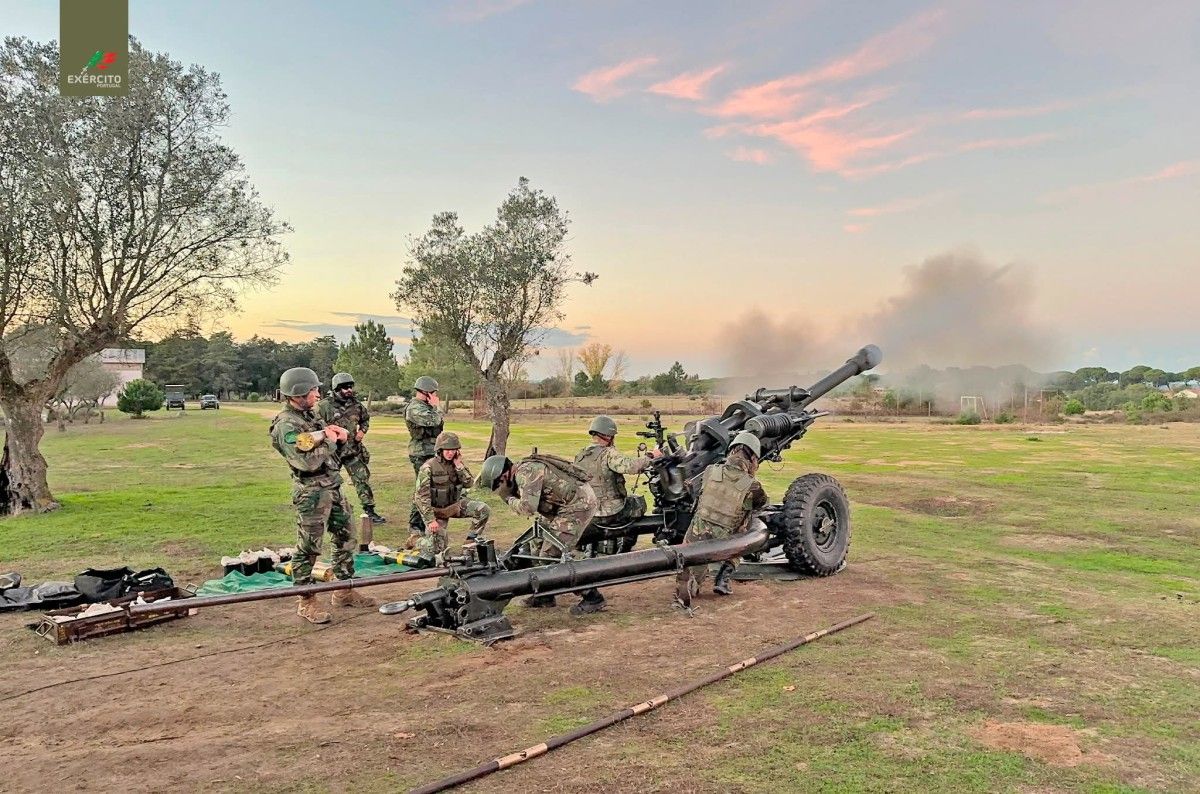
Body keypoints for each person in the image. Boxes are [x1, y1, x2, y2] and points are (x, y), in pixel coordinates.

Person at [269, 367, 376, 624]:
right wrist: (330, 439)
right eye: (314, 389)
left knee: (346, 536)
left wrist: (336, 438)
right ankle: (306, 600)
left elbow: (328, 453)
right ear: (299, 392)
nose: (318, 393)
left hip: (332, 486)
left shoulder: (310, 417)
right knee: (309, 547)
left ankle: (344, 591)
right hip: (311, 492)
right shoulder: (286, 425)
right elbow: (308, 463)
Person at [477, 451, 600, 616]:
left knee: (552, 553)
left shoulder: (526, 473)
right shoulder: (522, 470)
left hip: (578, 505)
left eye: (498, 485)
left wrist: (507, 498)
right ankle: (545, 595)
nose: (499, 489)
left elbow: (527, 508)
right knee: (535, 545)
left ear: (504, 476)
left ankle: (592, 595)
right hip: (560, 506)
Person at [571, 415, 663, 612]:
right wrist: (651, 456)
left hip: (590, 512)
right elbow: (630, 466)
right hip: (612, 512)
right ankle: (627, 544)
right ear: (610, 436)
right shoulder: (608, 454)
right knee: (638, 503)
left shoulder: (581, 455)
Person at [674, 431, 768, 610]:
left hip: (697, 531)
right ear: (753, 458)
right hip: (725, 538)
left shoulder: (710, 470)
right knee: (746, 532)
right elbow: (762, 502)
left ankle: (688, 581)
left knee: (692, 568)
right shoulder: (752, 485)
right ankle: (723, 578)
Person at [410, 431, 491, 561]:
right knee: (437, 549)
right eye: (447, 450)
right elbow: (421, 497)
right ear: (440, 450)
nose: (450, 453)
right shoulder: (428, 467)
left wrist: (459, 466)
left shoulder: (457, 464)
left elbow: (469, 483)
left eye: (453, 450)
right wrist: (431, 520)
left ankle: (469, 546)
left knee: (483, 510)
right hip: (436, 511)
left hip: (454, 505)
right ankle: (415, 540)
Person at [316, 372, 385, 524]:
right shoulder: (324, 406)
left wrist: (362, 431)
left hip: (353, 450)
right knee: (329, 482)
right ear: (336, 389)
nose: (349, 390)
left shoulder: (356, 405)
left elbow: (365, 420)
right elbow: (315, 426)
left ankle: (370, 511)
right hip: (332, 453)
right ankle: (327, 512)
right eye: (345, 387)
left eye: (350, 387)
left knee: (362, 481)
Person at [405, 375, 443, 537]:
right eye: (433, 393)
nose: (435, 396)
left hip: (431, 451)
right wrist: (437, 408)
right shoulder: (415, 408)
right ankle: (415, 525)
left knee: (430, 488)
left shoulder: (426, 407)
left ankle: (424, 521)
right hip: (420, 453)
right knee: (423, 489)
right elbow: (434, 421)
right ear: (426, 392)